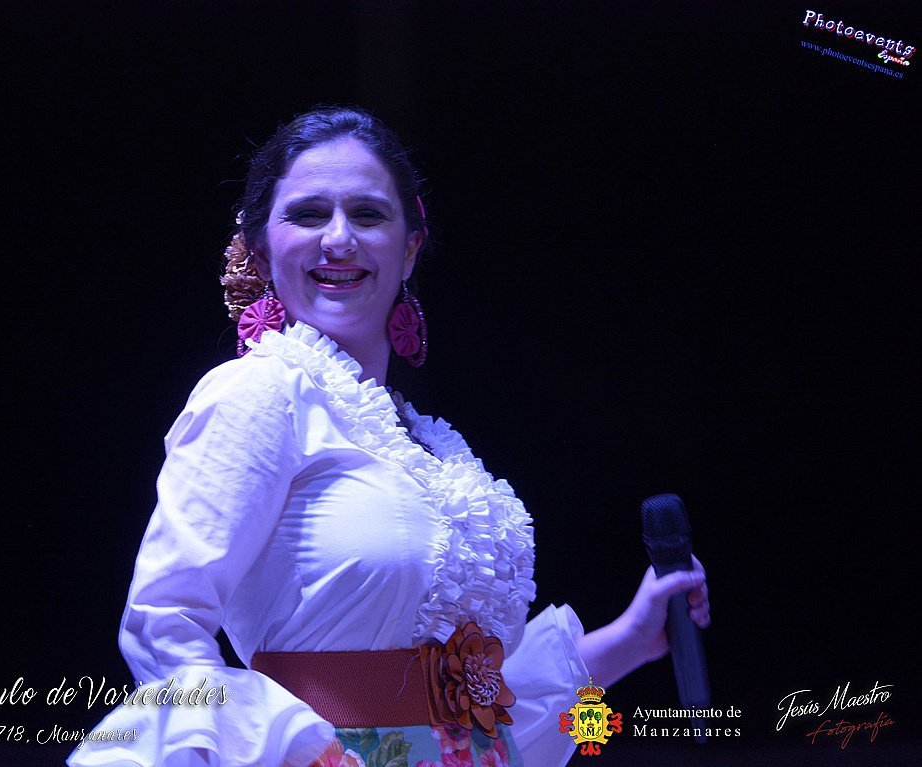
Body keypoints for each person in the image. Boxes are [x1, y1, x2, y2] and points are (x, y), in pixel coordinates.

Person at [68, 106, 710, 767]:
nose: (338, 239)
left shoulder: (430, 446)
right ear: (259, 249)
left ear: (409, 248)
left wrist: (631, 639)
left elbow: (482, 717)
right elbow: (164, 622)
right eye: (308, 214)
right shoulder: (261, 393)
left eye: (368, 215)